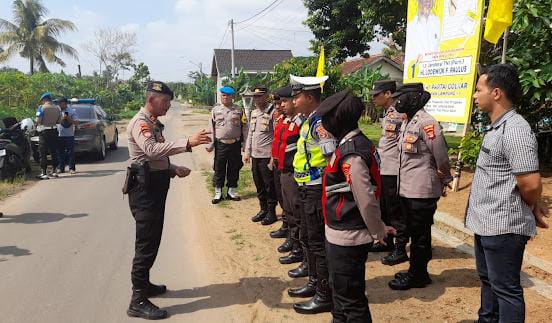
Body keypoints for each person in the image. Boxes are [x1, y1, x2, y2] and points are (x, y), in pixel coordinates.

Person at [465, 64, 549, 322]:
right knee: (489, 281)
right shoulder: (496, 127)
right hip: (487, 223)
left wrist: (531, 205)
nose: (475, 96)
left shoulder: (516, 130)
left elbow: (531, 184)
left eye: (479, 90)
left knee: (506, 290)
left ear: (497, 93)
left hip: (503, 226)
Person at [124, 81, 212, 320]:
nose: (168, 106)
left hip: (154, 186)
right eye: (165, 101)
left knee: (153, 239)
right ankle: (137, 300)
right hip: (145, 192)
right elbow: (151, 150)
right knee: (145, 244)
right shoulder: (140, 123)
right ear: (151, 100)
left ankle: (145, 284)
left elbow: (152, 157)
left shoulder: (152, 122)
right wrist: (188, 142)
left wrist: (172, 168)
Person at [318, 89, 396, 323]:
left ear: (337, 120)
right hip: (340, 232)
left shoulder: (351, 153)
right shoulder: (349, 144)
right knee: (340, 292)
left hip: (349, 236)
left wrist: (378, 230)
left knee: (351, 299)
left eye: (327, 119)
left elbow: (365, 198)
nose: (323, 124)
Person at [388, 83, 452, 290]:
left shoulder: (427, 123)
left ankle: (418, 275)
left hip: (422, 190)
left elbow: (441, 157)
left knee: (420, 236)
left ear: (414, 99)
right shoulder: (408, 121)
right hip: (407, 188)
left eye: (402, 97)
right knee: (415, 233)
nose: (397, 101)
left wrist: (445, 179)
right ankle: (416, 270)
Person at [287, 74, 336, 314]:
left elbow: (331, 160)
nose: (293, 101)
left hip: (317, 189)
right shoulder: (308, 121)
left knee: (317, 243)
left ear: (309, 97)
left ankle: (325, 294)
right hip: (306, 188)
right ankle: (315, 283)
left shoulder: (320, 124)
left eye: (296, 97)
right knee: (308, 237)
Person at [370, 80, 410, 266]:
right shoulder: (388, 113)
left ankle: (400, 248)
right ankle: (387, 241)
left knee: (396, 211)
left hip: (394, 170)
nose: (373, 98)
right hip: (385, 168)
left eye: (376, 95)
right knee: (385, 208)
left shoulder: (398, 114)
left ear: (388, 94)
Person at [273, 86, 304, 266]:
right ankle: (293, 241)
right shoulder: (285, 120)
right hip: (284, 170)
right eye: (280, 102)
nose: (281, 105)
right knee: (288, 209)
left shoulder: (301, 122)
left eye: (284, 101)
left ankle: (299, 248)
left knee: (297, 211)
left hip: (294, 173)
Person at [206, 86, 248, 204]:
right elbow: (211, 128)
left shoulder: (239, 110)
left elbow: (244, 127)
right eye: (223, 95)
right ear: (221, 96)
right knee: (219, 168)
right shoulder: (215, 110)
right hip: (221, 144)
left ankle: (231, 190)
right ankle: (218, 192)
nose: (225, 97)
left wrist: (245, 144)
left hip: (235, 143)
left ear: (232, 97)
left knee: (234, 167)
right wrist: (210, 144)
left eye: (228, 95)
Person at [244, 85, 278, 225]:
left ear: (266, 96)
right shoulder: (254, 113)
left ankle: (271, 212)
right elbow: (250, 134)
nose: (257, 99)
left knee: (269, 185)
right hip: (255, 156)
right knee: (259, 184)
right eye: (255, 97)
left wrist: (273, 156)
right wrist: (247, 152)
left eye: (260, 96)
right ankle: (263, 209)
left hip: (267, 155)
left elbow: (277, 135)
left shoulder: (272, 112)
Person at [269, 92, 289, 240]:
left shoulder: (294, 121)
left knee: (289, 202)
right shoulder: (280, 119)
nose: (278, 107)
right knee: (280, 196)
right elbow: (277, 141)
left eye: (281, 102)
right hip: (278, 163)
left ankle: (290, 230)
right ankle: (286, 225)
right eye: (276, 104)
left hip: (288, 167)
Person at [404, 0, 441, 78]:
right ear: (418, 2)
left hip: (437, 73)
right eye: (425, 0)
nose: (428, 3)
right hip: (419, 76)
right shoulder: (411, 27)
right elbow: (410, 58)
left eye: (430, 1)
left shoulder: (438, 23)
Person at [35, 93, 61, 180]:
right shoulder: (57, 108)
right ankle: (54, 171)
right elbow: (59, 121)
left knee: (43, 152)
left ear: (44, 100)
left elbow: (38, 120)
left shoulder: (41, 108)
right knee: (54, 152)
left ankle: (44, 172)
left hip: (44, 132)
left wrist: (36, 124)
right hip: (54, 131)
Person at [57, 97, 79, 174]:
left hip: (69, 135)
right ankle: (60, 168)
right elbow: (55, 121)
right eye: (59, 104)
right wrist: (62, 118)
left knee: (71, 152)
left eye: (62, 103)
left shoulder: (72, 111)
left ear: (66, 103)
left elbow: (76, 122)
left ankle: (71, 168)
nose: (61, 105)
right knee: (60, 152)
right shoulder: (57, 111)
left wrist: (69, 118)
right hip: (59, 134)